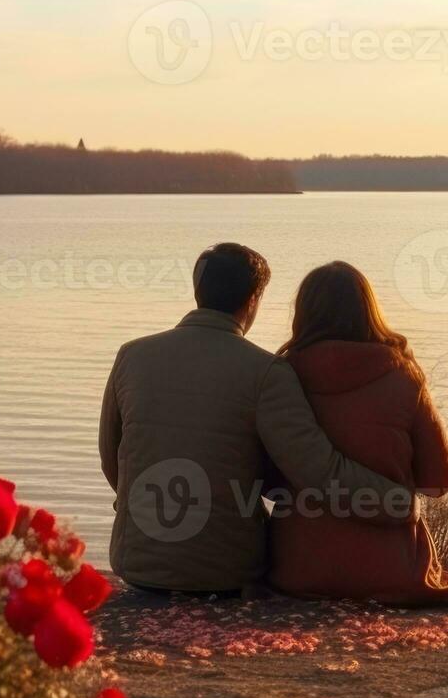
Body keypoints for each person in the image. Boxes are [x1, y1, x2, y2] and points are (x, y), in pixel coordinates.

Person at [99, 244, 416, 594]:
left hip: (136, 564)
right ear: (253, 300)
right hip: (225, 572)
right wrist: (398, 502)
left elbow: (113, 460)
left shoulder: (132, 356)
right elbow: (317, 472)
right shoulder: (266, 372)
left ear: (198, 291)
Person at [267, 261, 448, 605]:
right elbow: (439, 479)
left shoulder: (279, 379)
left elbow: (263, 476)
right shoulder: (402, 375)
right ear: (369, 310)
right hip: (393, 571)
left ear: (303, 313)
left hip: (298, 569)